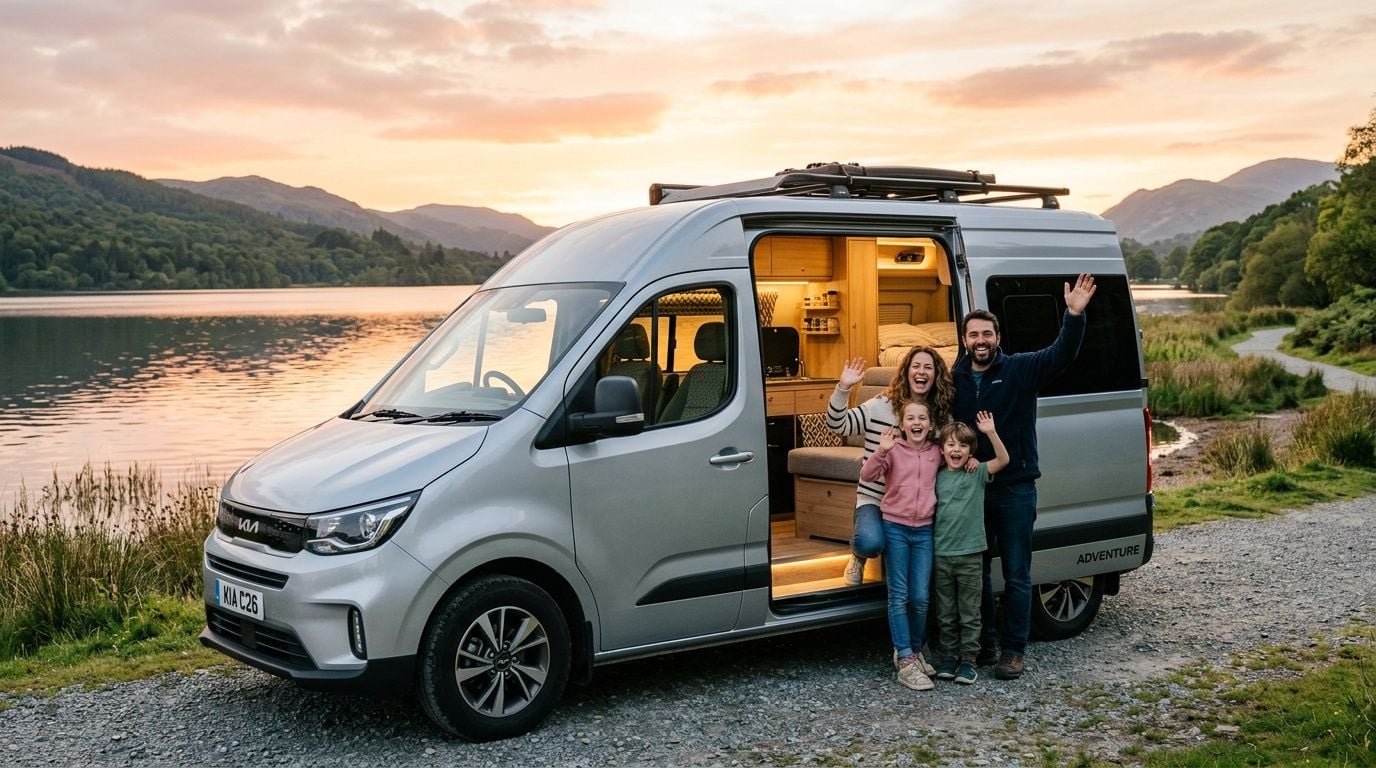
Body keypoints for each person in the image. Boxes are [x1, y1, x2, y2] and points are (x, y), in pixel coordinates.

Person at [951, 273, 1096, 681]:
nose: (980, 341)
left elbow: (1060, 356)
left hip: (1015, 489)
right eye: (973, 335)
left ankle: (1014, 651)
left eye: (987, 334)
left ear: (997, 337)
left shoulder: (1019, 369)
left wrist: (1074, 316)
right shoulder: (956, 380)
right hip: (973, 491)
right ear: (965, 340)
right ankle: (985, 643)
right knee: (976, 571)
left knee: (1017, 572)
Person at [826, 346, 953, 586]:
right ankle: (858, 554)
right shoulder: (881, 405)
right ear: (906, 372)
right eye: (916, 366)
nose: (921, 372)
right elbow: (838, 425)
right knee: (870, 542)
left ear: (936, 375)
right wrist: (843, 387)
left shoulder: (942, 416)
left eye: (928, 367)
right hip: (875, 497)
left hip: (917, 505)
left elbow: (954, 453)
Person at [858, 400, 941, 691]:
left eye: (922, 418)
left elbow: (956, 464)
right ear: (902, 424)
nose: (916, 422)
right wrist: (881, 450)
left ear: (930, 425)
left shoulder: (936, 453)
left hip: (924, 532)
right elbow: (866, 475)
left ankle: (915, 651)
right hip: (895, 528)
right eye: (910, 418)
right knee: (899, 594)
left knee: (920, 597)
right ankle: (905, 658)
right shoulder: (894, 451)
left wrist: (966, 460)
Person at [931, 412, 1009, 685]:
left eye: (963, 446)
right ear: (942, 450)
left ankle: (968, 660)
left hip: (970, 555)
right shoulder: (937, 476)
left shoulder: (976, 474)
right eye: (951, 445)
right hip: (941, 555)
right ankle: (949, 656)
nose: (957, 450)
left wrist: (990, 432)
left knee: (969, 611)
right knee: (945, 611)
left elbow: (1003, 460)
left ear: (970, 451)